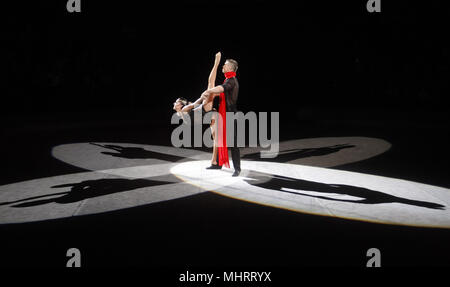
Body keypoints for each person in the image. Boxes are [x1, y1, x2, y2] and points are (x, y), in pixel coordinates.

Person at [172, 52, 222, 166]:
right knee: (210, 86)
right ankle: (216, 62)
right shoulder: (182, 111)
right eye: (176, 102)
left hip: (204, 113)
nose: (174, 103)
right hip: (205, 115)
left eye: (176, 102)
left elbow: (193, 105)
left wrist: (203, 96)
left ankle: (214, 161)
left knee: (211, 85)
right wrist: (203, 96)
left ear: (180, 105)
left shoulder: (183, 110)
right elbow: (193, 105)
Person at [201, 58, 241, 177]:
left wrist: (209, 91)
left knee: (233, 143)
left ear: (230, 68)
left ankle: (237, 169)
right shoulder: (228, 80)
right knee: (219, 139)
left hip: (230, 116)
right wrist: (211, 92)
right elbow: (220, 91)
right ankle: (217, 163)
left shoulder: (231, 80)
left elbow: (221, 88)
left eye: (225, 64)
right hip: (224, 115)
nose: (223, 66)